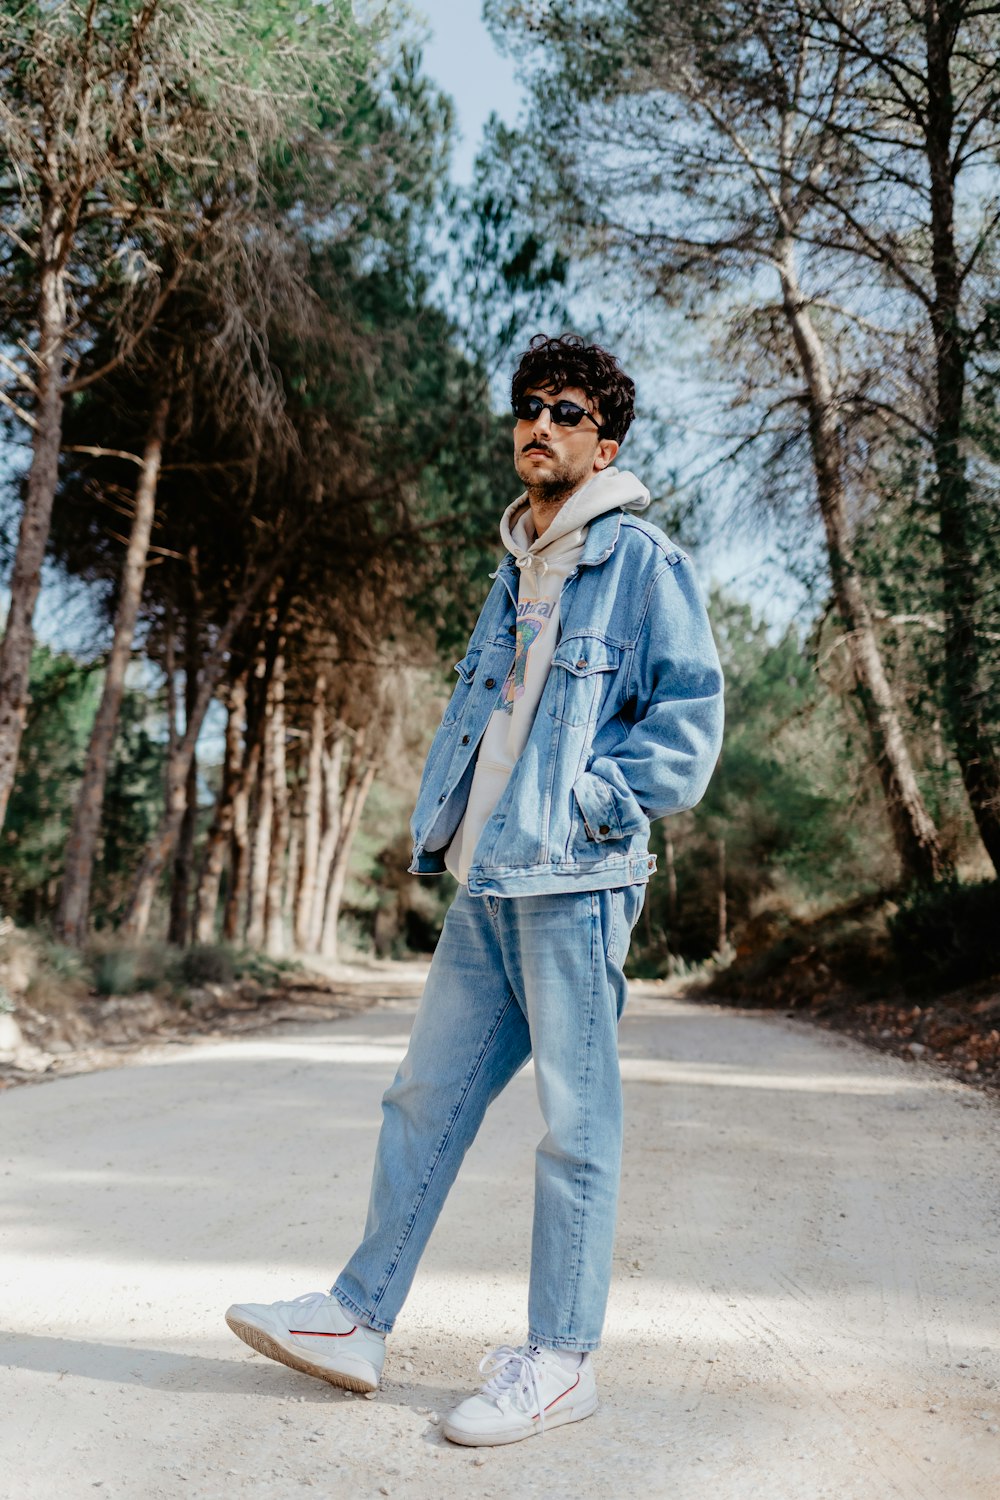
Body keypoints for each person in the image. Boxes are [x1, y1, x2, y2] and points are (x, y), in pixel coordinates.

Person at [225, 333, 724, 1447]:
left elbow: (686, 729)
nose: (538, 423)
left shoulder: (641, 563)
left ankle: (560, 1361)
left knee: (575, 1126)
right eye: (526, 406)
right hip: (487, 883)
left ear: (605, 441)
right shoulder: (515, 567)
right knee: (423, 1103)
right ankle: (354, 1319)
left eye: (565, 410)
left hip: (575, 881)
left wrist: (590, 805)